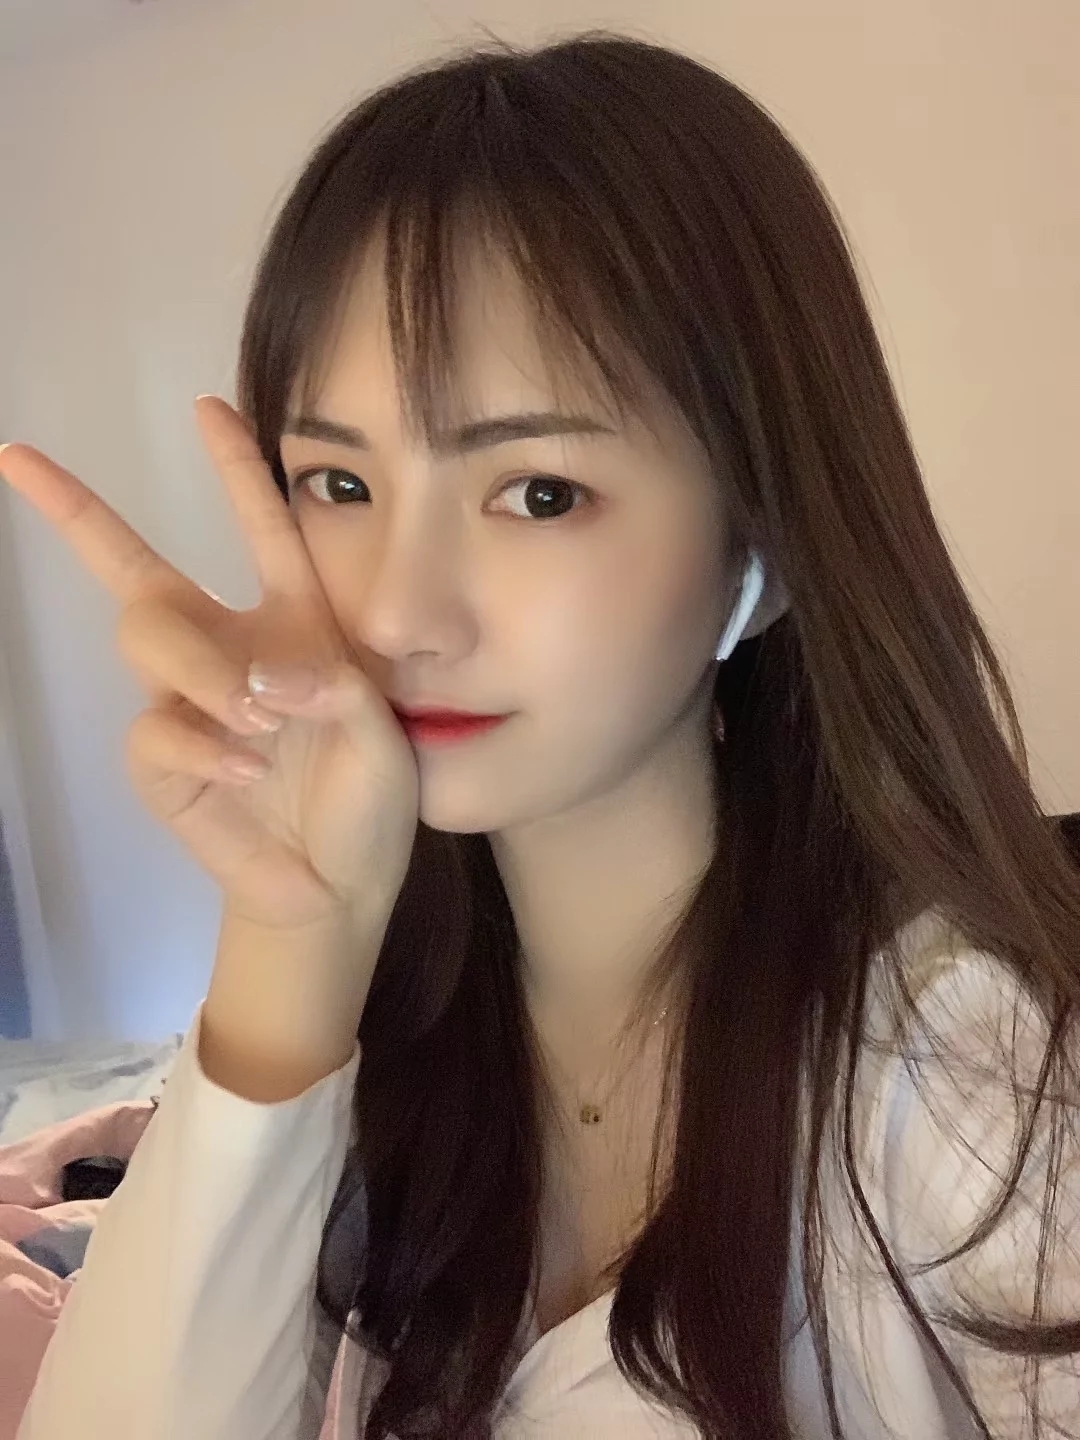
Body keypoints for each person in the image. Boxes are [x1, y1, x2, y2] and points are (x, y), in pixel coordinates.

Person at [4, 26, 1079, 1440]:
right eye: (339, 483)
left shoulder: (977, 1080)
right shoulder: (372, 1041)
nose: (398, 613)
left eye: (540, 493)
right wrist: (289, 938)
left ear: (761, 542)